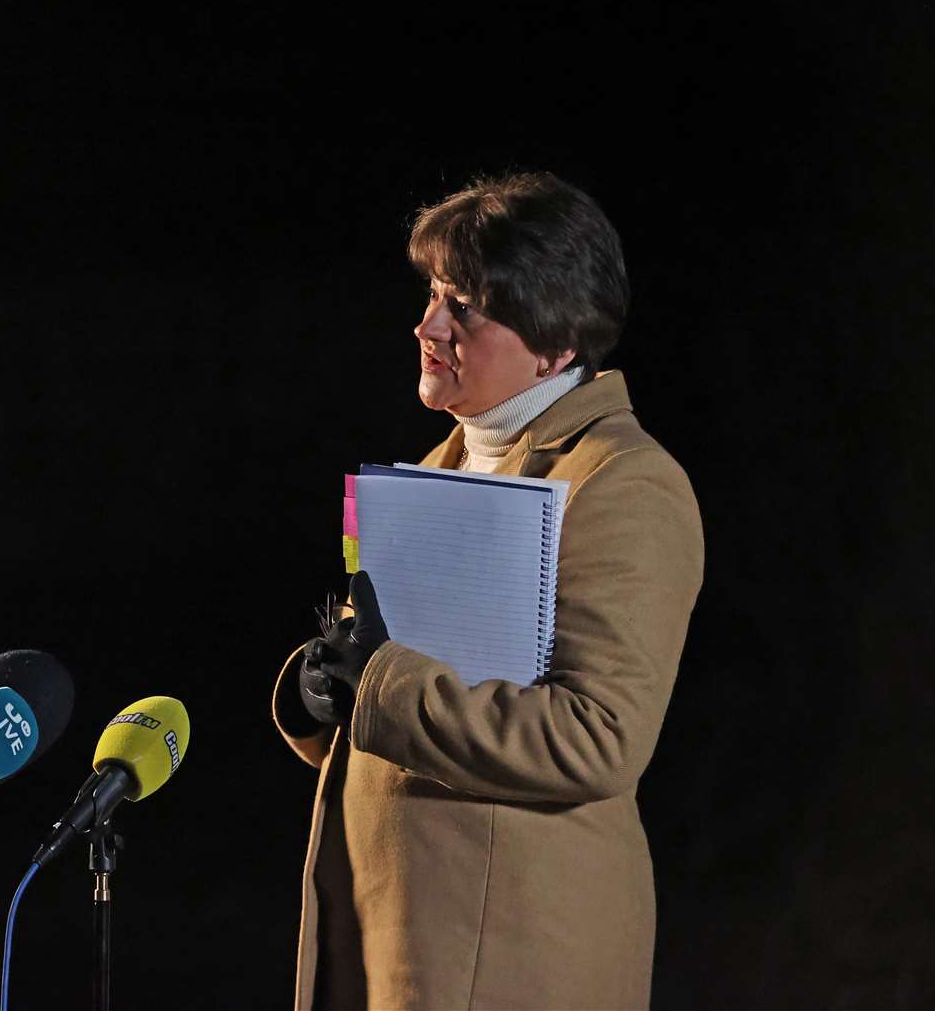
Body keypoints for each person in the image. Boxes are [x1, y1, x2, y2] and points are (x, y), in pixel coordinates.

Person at [271, 172, 704, 1010]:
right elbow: (408, 695)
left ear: (555, 344)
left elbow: (598, 739)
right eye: (434, 296)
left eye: (463, 307)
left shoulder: (624, 482)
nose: (427, 326)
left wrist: (383, 684)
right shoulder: (439, 465)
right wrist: (324, 695)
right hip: (393, 936)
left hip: (512, 957)